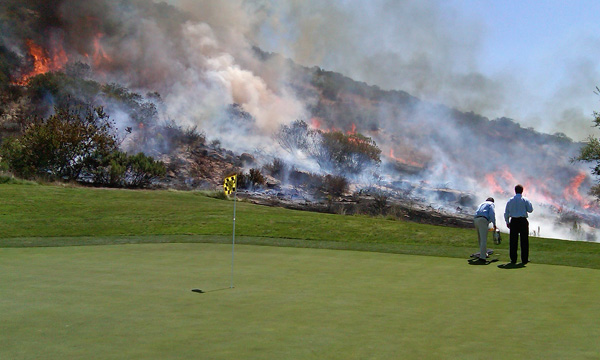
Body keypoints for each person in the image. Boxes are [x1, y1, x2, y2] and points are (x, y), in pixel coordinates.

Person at [504, 184, 534, 264]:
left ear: (515, 190)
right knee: (524, 240)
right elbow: (530, 210)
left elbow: (506, 212)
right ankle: (524, 259)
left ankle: (513, 259)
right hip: (522, 221)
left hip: (513, 221)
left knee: (513, 241)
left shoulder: (510, 200)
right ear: (522, 191)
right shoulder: (525, 199)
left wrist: (507, 222)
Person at [473, 197, 497, 262]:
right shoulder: (491, 204)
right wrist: (494, 224)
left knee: (480, 238)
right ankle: (482, 257)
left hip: (476, 219)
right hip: (483, 219)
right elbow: (492, 213)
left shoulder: (481, 204)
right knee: (483, 239)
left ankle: (483, 253)